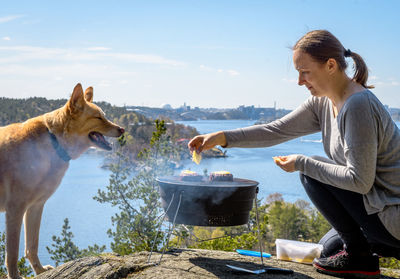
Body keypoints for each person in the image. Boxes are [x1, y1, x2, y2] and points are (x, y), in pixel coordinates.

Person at [188, 30, 400, 279]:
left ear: (331, 65)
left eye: (305, 72)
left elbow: (360, 180)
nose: (300, 81)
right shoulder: (323, 102)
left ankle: (361, 257)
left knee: (310, 172)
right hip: (373, 209)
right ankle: (361, 249)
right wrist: (222, 137)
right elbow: (276, 130)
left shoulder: (357, 105)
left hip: (391, 215)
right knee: (328, 250)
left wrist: (302, 162)